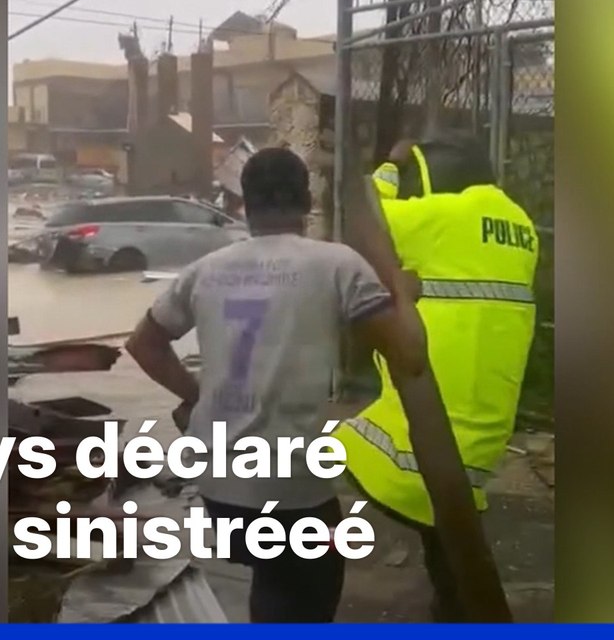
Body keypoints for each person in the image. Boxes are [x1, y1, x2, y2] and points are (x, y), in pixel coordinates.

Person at [124, 147, 427, 623]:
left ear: (244, 204)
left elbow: (143, 344)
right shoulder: (337, 265)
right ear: (307, 201)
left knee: (274, 577)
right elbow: (410, 357)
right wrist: (403, 295)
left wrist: (199, 396)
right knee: (306, 592)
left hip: (219, 485)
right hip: (292, 486)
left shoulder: (207, 268)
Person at [333, 133, 540, 622]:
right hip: (482, 434)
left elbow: (364, 216)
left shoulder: (444, 216)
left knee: (319, 457)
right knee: (448, 544)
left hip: (424, 433)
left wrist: (390, 165)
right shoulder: (521, 226)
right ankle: (452, 607)